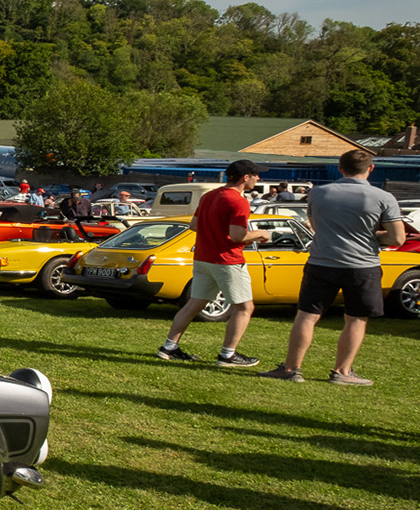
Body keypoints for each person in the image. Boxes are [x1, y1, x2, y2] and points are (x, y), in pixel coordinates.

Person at [260, 151, 404, 384]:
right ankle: (342, 372)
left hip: (321, 262)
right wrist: (371, 236)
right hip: (362, 265)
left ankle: (291, 369)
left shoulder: (318, 193)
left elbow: (316, 227)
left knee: (307, 315)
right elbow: (397, 238)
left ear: (340, 168)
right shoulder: (383, 197)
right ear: (371, 168)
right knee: (356, 318)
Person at [156, 160, 271, 367]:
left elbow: (194, 225)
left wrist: (215, 234)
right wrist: (261, 234)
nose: (258, 178)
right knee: (244, 308)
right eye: (256, 174)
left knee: (194, 304)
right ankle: (228, 355)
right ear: (246, 177)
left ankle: (169, 347)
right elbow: (237, 235)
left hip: (203, 258)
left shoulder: (209, 195)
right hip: (227, 260)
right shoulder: (238, 201)